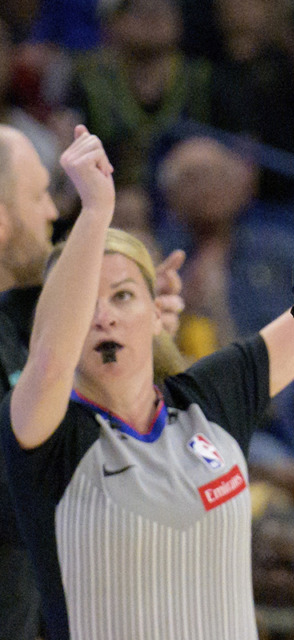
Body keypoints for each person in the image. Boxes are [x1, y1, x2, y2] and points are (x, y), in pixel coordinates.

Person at [0, 96, 294, 639]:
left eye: (124, 295)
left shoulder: (210, 399)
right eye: (85, 300)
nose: (103, 315)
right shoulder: (47, 432)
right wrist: (96, 212)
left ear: (158, 313)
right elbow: (51, 360)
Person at [0, 121, 185, 640]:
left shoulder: (32, 312)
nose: (53, 213)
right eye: (39, 196)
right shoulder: (37, 338)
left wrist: (143, 339)